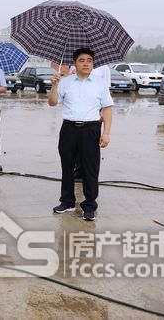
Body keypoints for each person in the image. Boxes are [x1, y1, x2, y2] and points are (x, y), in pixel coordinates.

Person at [48, 48, 113, 221]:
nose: (86, 63)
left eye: (89, 60)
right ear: (74, 63)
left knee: (90, 168)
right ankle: (67, 201)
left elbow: (107, 108)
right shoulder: (65, 82)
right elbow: (53, 103)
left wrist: (106, 132)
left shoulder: (100, 83)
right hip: (69, 129)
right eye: (82, 60)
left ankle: (90, 205)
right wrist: (54, 85)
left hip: (91, 129)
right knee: (67, 166)